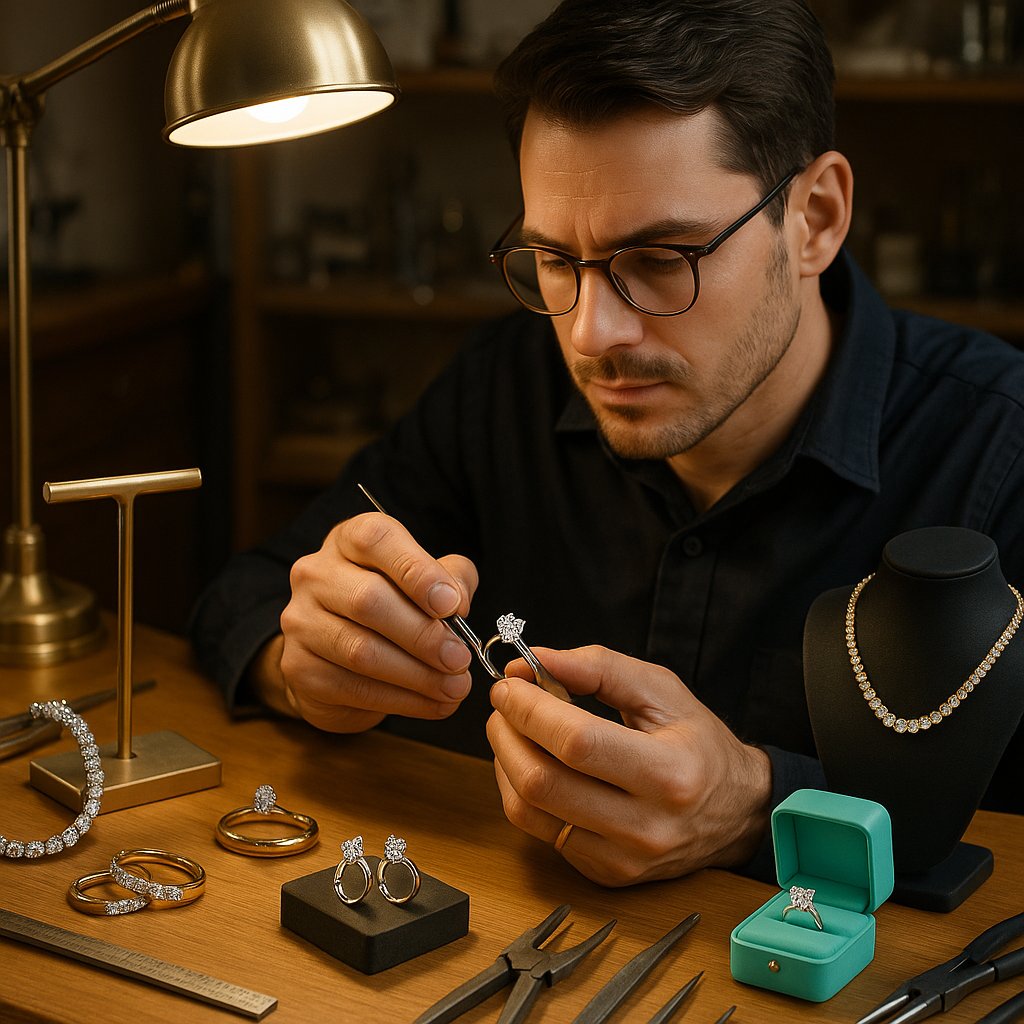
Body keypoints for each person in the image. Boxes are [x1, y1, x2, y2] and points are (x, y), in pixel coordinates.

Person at [191, 0, 1024, 886]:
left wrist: (760, 808)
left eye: (662, 260)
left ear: (815, 217)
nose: (591, 336)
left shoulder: (998, 450)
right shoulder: (508, 381)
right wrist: (304, 664)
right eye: (555, 261)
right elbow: (249, 593)